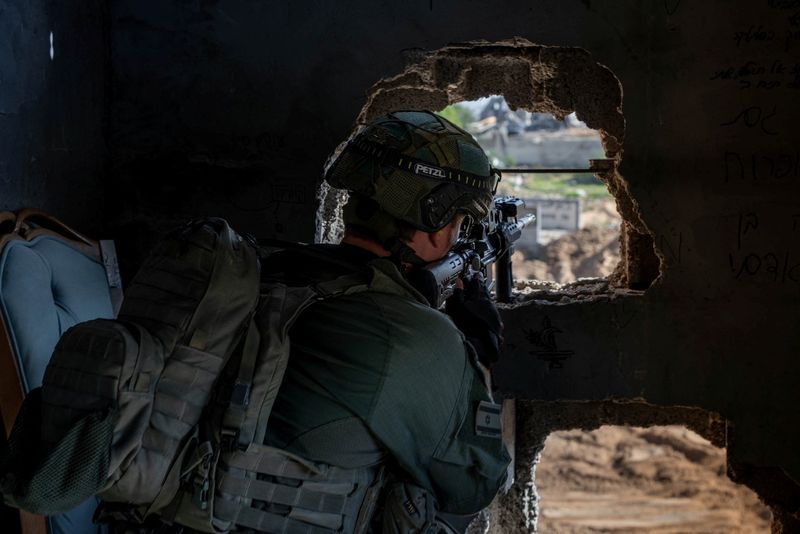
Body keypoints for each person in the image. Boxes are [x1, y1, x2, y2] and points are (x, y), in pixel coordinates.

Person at [257, 110, 511, 533]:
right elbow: (476, 481)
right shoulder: (412, 337)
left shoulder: (270, 269)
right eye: (458, 223)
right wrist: (475, 352)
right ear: (435, 228)